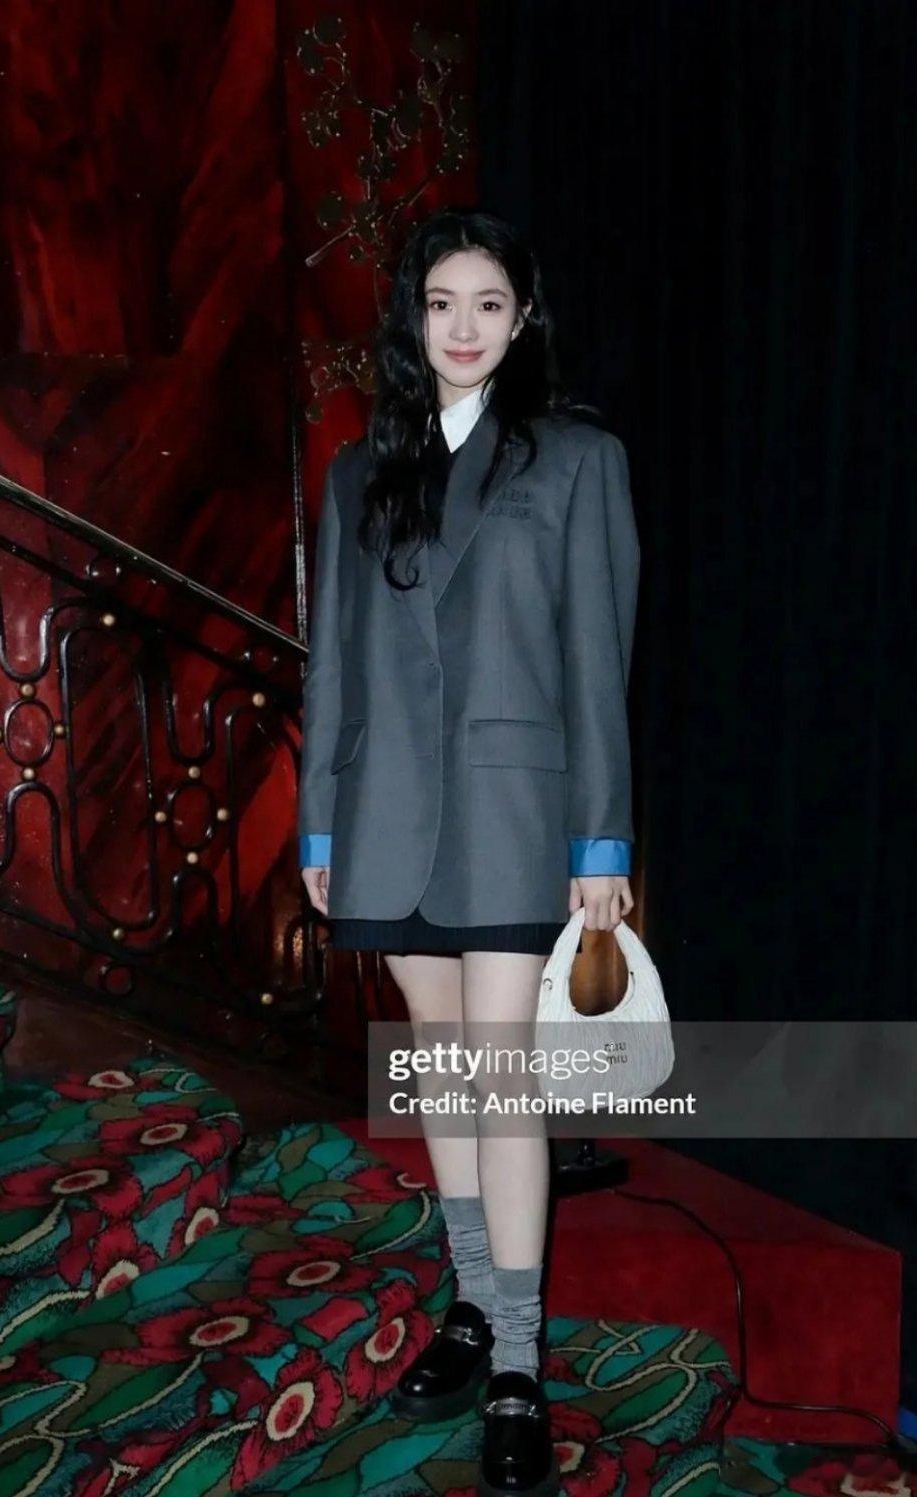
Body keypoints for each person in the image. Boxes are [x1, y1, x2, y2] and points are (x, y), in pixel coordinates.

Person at [298, 206, 640, 1497]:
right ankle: (473, 1298)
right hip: (387, 814)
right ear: (413, 316)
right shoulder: (360, 471)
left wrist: (600, 840)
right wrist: (321, 822)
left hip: (511, 817)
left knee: (503, 1081)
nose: (463, 326)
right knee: (441, 1075)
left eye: (488, 303)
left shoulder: (576, 459)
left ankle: (517, 1359)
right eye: (442, 302)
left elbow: (599, 667)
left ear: (522, 317)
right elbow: (334, 663)